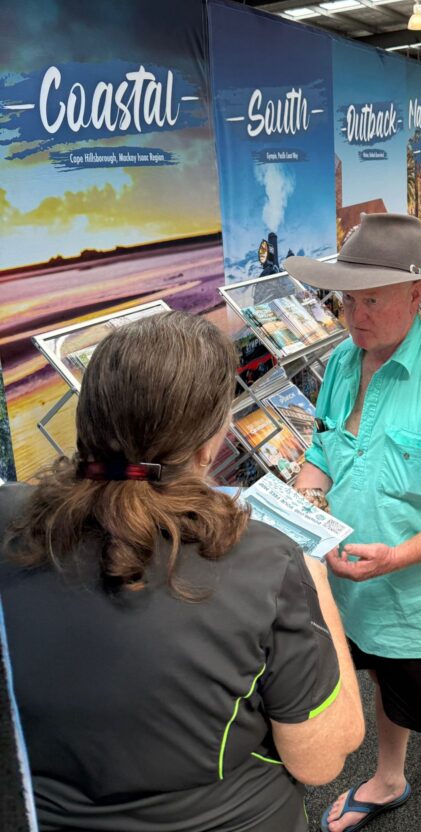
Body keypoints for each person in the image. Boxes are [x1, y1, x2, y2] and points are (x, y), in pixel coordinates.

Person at [0, 311, 364, 832]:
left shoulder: (10, 520)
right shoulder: (265, 562)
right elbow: (322, 758)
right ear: (207, 444)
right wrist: (317, 584)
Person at [283, 213, 421, 832]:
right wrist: (310, 497)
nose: (355, 316)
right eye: (347, 301)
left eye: (372, 301)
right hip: (348, 593)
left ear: (416, 295)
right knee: (382, 679)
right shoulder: (340, 364)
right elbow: (323, 450)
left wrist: (398, 557)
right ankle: (387, 778)